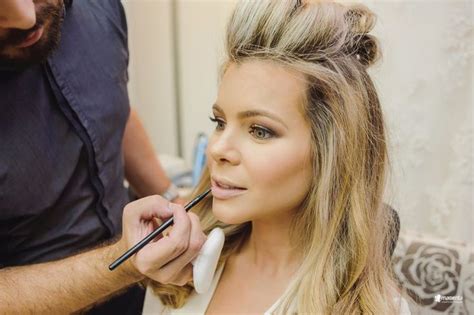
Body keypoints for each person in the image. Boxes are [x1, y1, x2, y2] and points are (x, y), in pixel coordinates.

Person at [143, 0, 411, 314]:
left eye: (259, 130)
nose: (217, 150)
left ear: (333, 152)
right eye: (220, 122)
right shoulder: (174, 270)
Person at [0, 0, 197, 313]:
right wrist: (122, 264)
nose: (25, 19)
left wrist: (170, 196)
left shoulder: (99, 9)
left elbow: (112, 107)